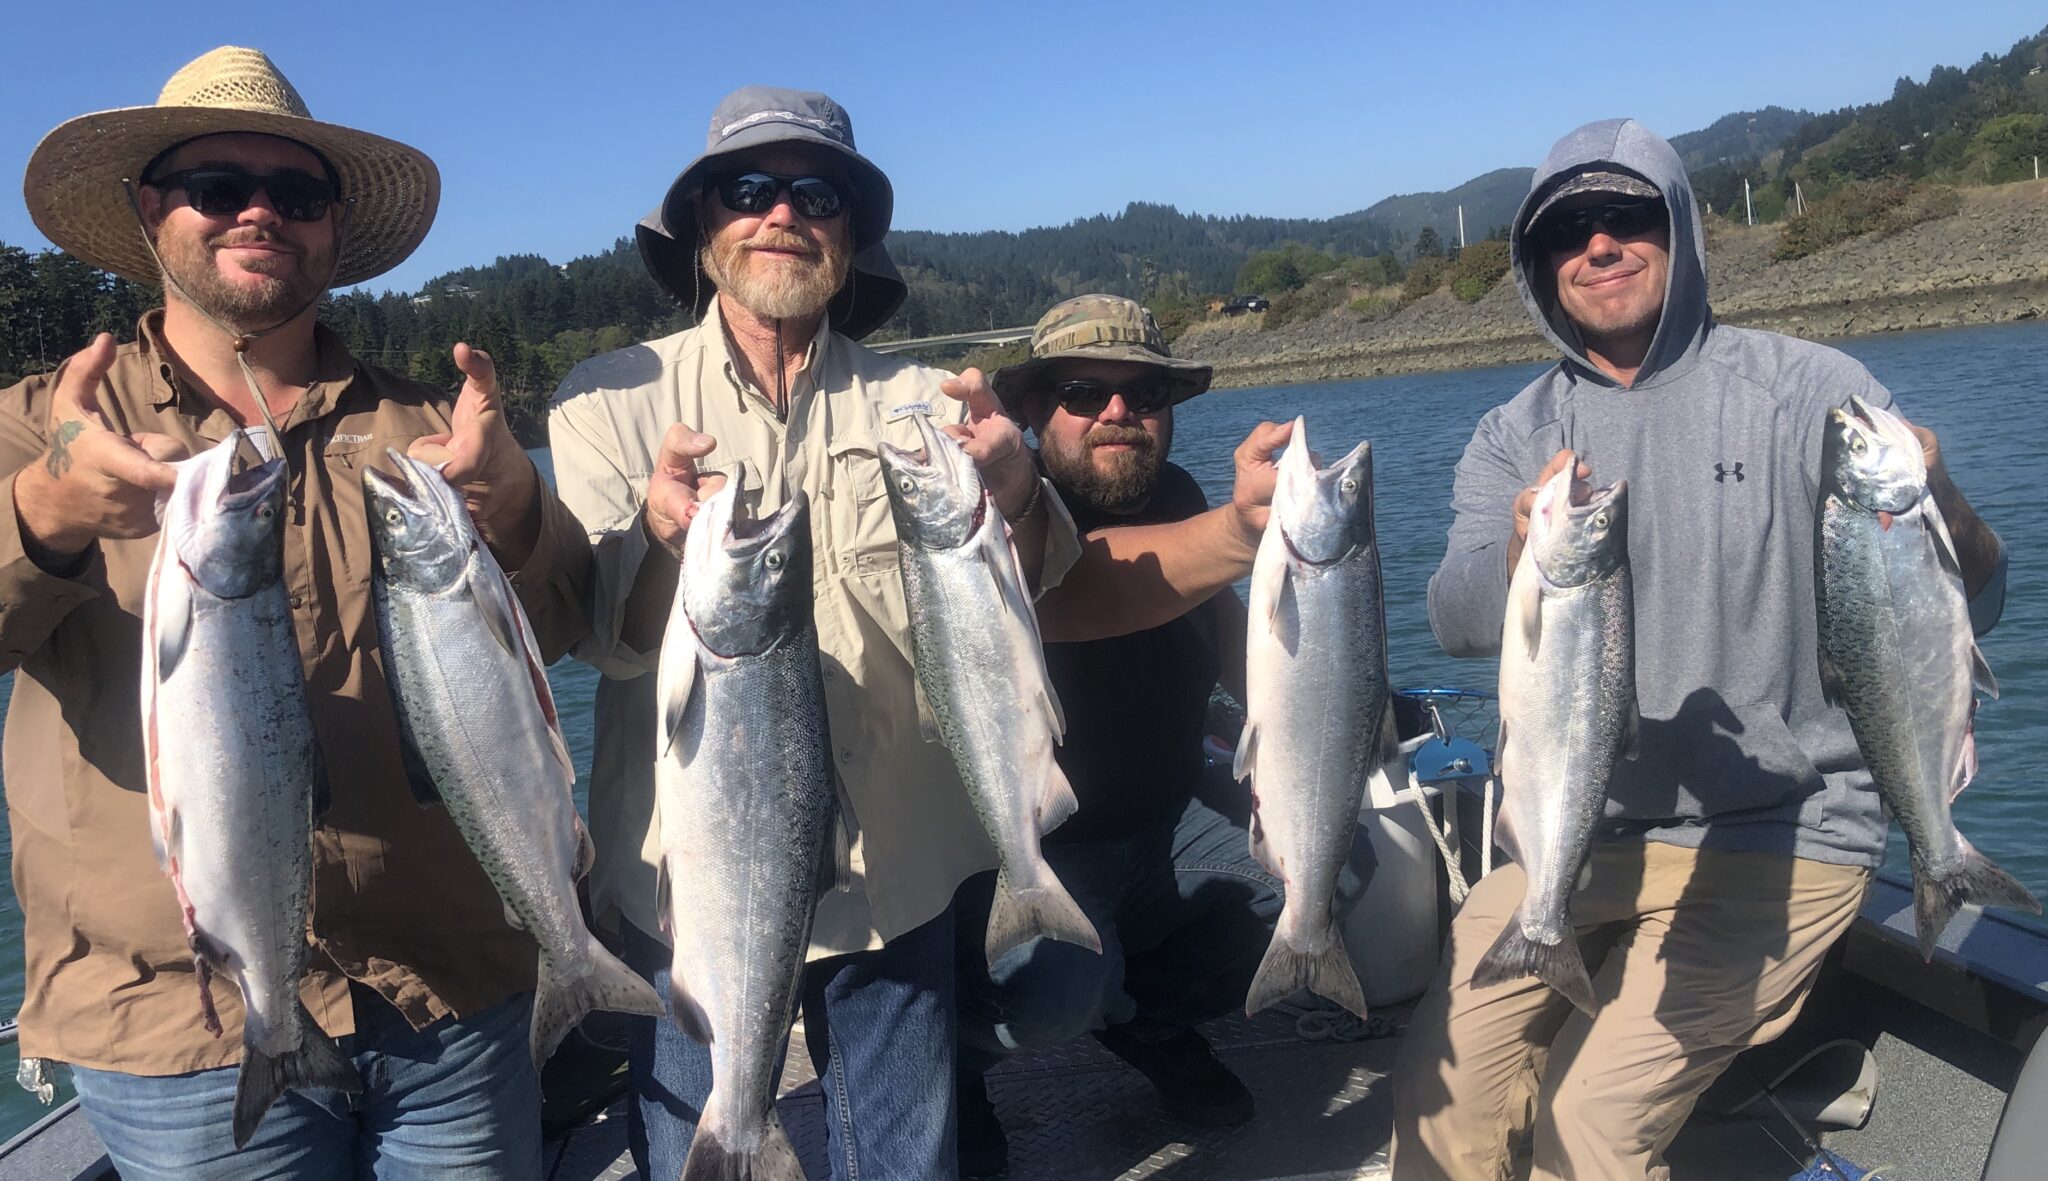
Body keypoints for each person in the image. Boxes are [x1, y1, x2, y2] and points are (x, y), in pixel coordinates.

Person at [0, 47, 590, 1179]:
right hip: (176, 1019)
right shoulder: (42, 425)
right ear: (151, 210)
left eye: (297, 191)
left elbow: (564, 629)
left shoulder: (429, 430)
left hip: (451, 993)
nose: (259, 210)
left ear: (332, 225)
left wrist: (517, 501)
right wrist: (46, 512)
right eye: (218, 186)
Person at [1390, 119, 2009, 1180]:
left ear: (1678, 226)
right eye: (1568, 230)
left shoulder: (1811, 391)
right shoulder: (1511, 431)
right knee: (1437, 1101)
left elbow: (1982, 602)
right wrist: (1520, 552)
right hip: (1573, 833)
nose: (1598, 243)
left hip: (1781, 834)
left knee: (1587, 1127)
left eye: (1626, 216)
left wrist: (1935, 496)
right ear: (1537, 265)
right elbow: (1453, 617)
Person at [545, 86, 1080, 1181]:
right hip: (690, 877)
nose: (782, 214)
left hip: (900, 871)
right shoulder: (604, 401)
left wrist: (1020, 489)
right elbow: (603, 641)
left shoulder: (929, 402)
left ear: (849, 234)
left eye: (817, 195)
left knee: (906, 1162)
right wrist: (656, 538)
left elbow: (1033, 591)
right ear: (702, 226)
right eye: (748, 190)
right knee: (696, 1145)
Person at [945, 295, 1366, 1175]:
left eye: (1145, 394)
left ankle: (1147, 1024)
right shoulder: (991, 522)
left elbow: (1240, 637)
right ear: (1032, 409)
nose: (1118, 412)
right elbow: (1082, 591)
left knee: (1332, 869)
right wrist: (1239, 532)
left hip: (1168, 822)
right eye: (1082, 391)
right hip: (1041, 847)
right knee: (1054, 990)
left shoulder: (1178, 495)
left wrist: (1348, 695)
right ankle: (954, 1065)